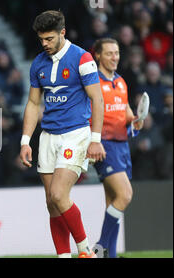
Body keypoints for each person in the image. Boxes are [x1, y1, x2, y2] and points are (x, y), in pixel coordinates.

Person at [19, 10, 106, 258]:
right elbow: (34, 104)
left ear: (62, 33)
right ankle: (63, 256)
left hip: (75, 134)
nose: (44, 44)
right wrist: (26, 141)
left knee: (59, 194)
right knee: (51, 203)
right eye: (41, 39)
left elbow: (97, 98)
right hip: (48, 137)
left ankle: (85, 250)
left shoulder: (82, 58)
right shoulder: (38, 63)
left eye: (49, 38)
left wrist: (95, 139)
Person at [91, 38, 144, 258]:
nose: (115, 57)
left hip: (122, 146)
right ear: (98, 56)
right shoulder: (93, 84)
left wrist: (135, 120)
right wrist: (93, 141)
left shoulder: (121, 81)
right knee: (125, 195)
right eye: (109, 53)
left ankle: (109, 255)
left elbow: (126, 111)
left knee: (114, 203)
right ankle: (101, 247)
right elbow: (87, 114)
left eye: (117, 53)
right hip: (104, 146)